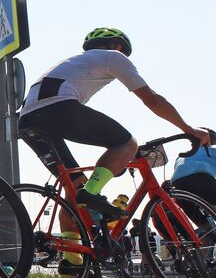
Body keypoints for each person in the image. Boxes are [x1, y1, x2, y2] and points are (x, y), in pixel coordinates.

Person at [19, 28, 212, 223]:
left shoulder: (72, 63)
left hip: (26, 121)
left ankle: (71, 253)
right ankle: (92, 192)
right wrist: (189, 129)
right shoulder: (113, 57)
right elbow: (151, 99)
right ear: (119, 47)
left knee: (74, 187)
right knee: (127, 144)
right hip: (57, 109)